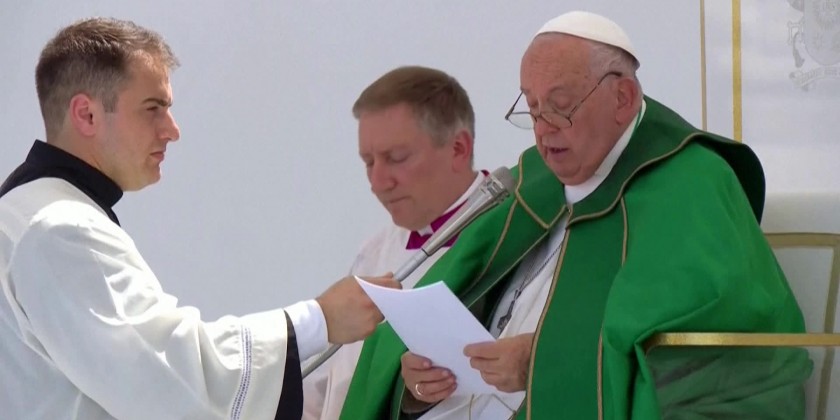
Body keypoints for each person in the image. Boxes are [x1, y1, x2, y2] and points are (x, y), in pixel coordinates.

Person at [339, 11, 811, 420]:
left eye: (561, 108)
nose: (543, 131)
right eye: (532, 109)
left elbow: (707, 353)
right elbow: (467, 306)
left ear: (623, 98)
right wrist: (417, 384)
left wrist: (544, 362)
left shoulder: (690, 184)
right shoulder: (533, 183)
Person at [0, 17, 398, 420]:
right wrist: (320, 320)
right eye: (153, 109)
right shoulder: (59, 228)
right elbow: (162, 376)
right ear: (86, 114)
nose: (172, 130)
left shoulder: (21, 212)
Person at [302, 66, 484, 420]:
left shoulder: (508, 237)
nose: (378, 182)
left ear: (458, 149)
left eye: (396, 158)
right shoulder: (376, 250)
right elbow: (324, 380)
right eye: (368, 162)